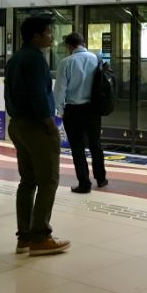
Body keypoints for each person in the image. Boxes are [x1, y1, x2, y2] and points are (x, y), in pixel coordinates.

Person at [5, 15, 70, 256]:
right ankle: (40, 236)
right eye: (49, 32)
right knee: (48, 180)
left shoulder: (16, 59)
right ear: (36, 36)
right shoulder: (35, 59)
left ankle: (24, 237)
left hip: (18, 124)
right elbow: (37, 95)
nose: (52, 37)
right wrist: (49, 124)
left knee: (28, 181)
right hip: (36, 126)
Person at [53, 33, 107, 193]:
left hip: (73, 110)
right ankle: (101, 178)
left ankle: (84, 183)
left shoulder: (66, 63)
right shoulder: (95, 59)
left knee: (77, 148)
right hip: (93, 109)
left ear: (69, 46)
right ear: (82, 43)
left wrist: (60, 112)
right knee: (95, 144)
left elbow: (60, 90)